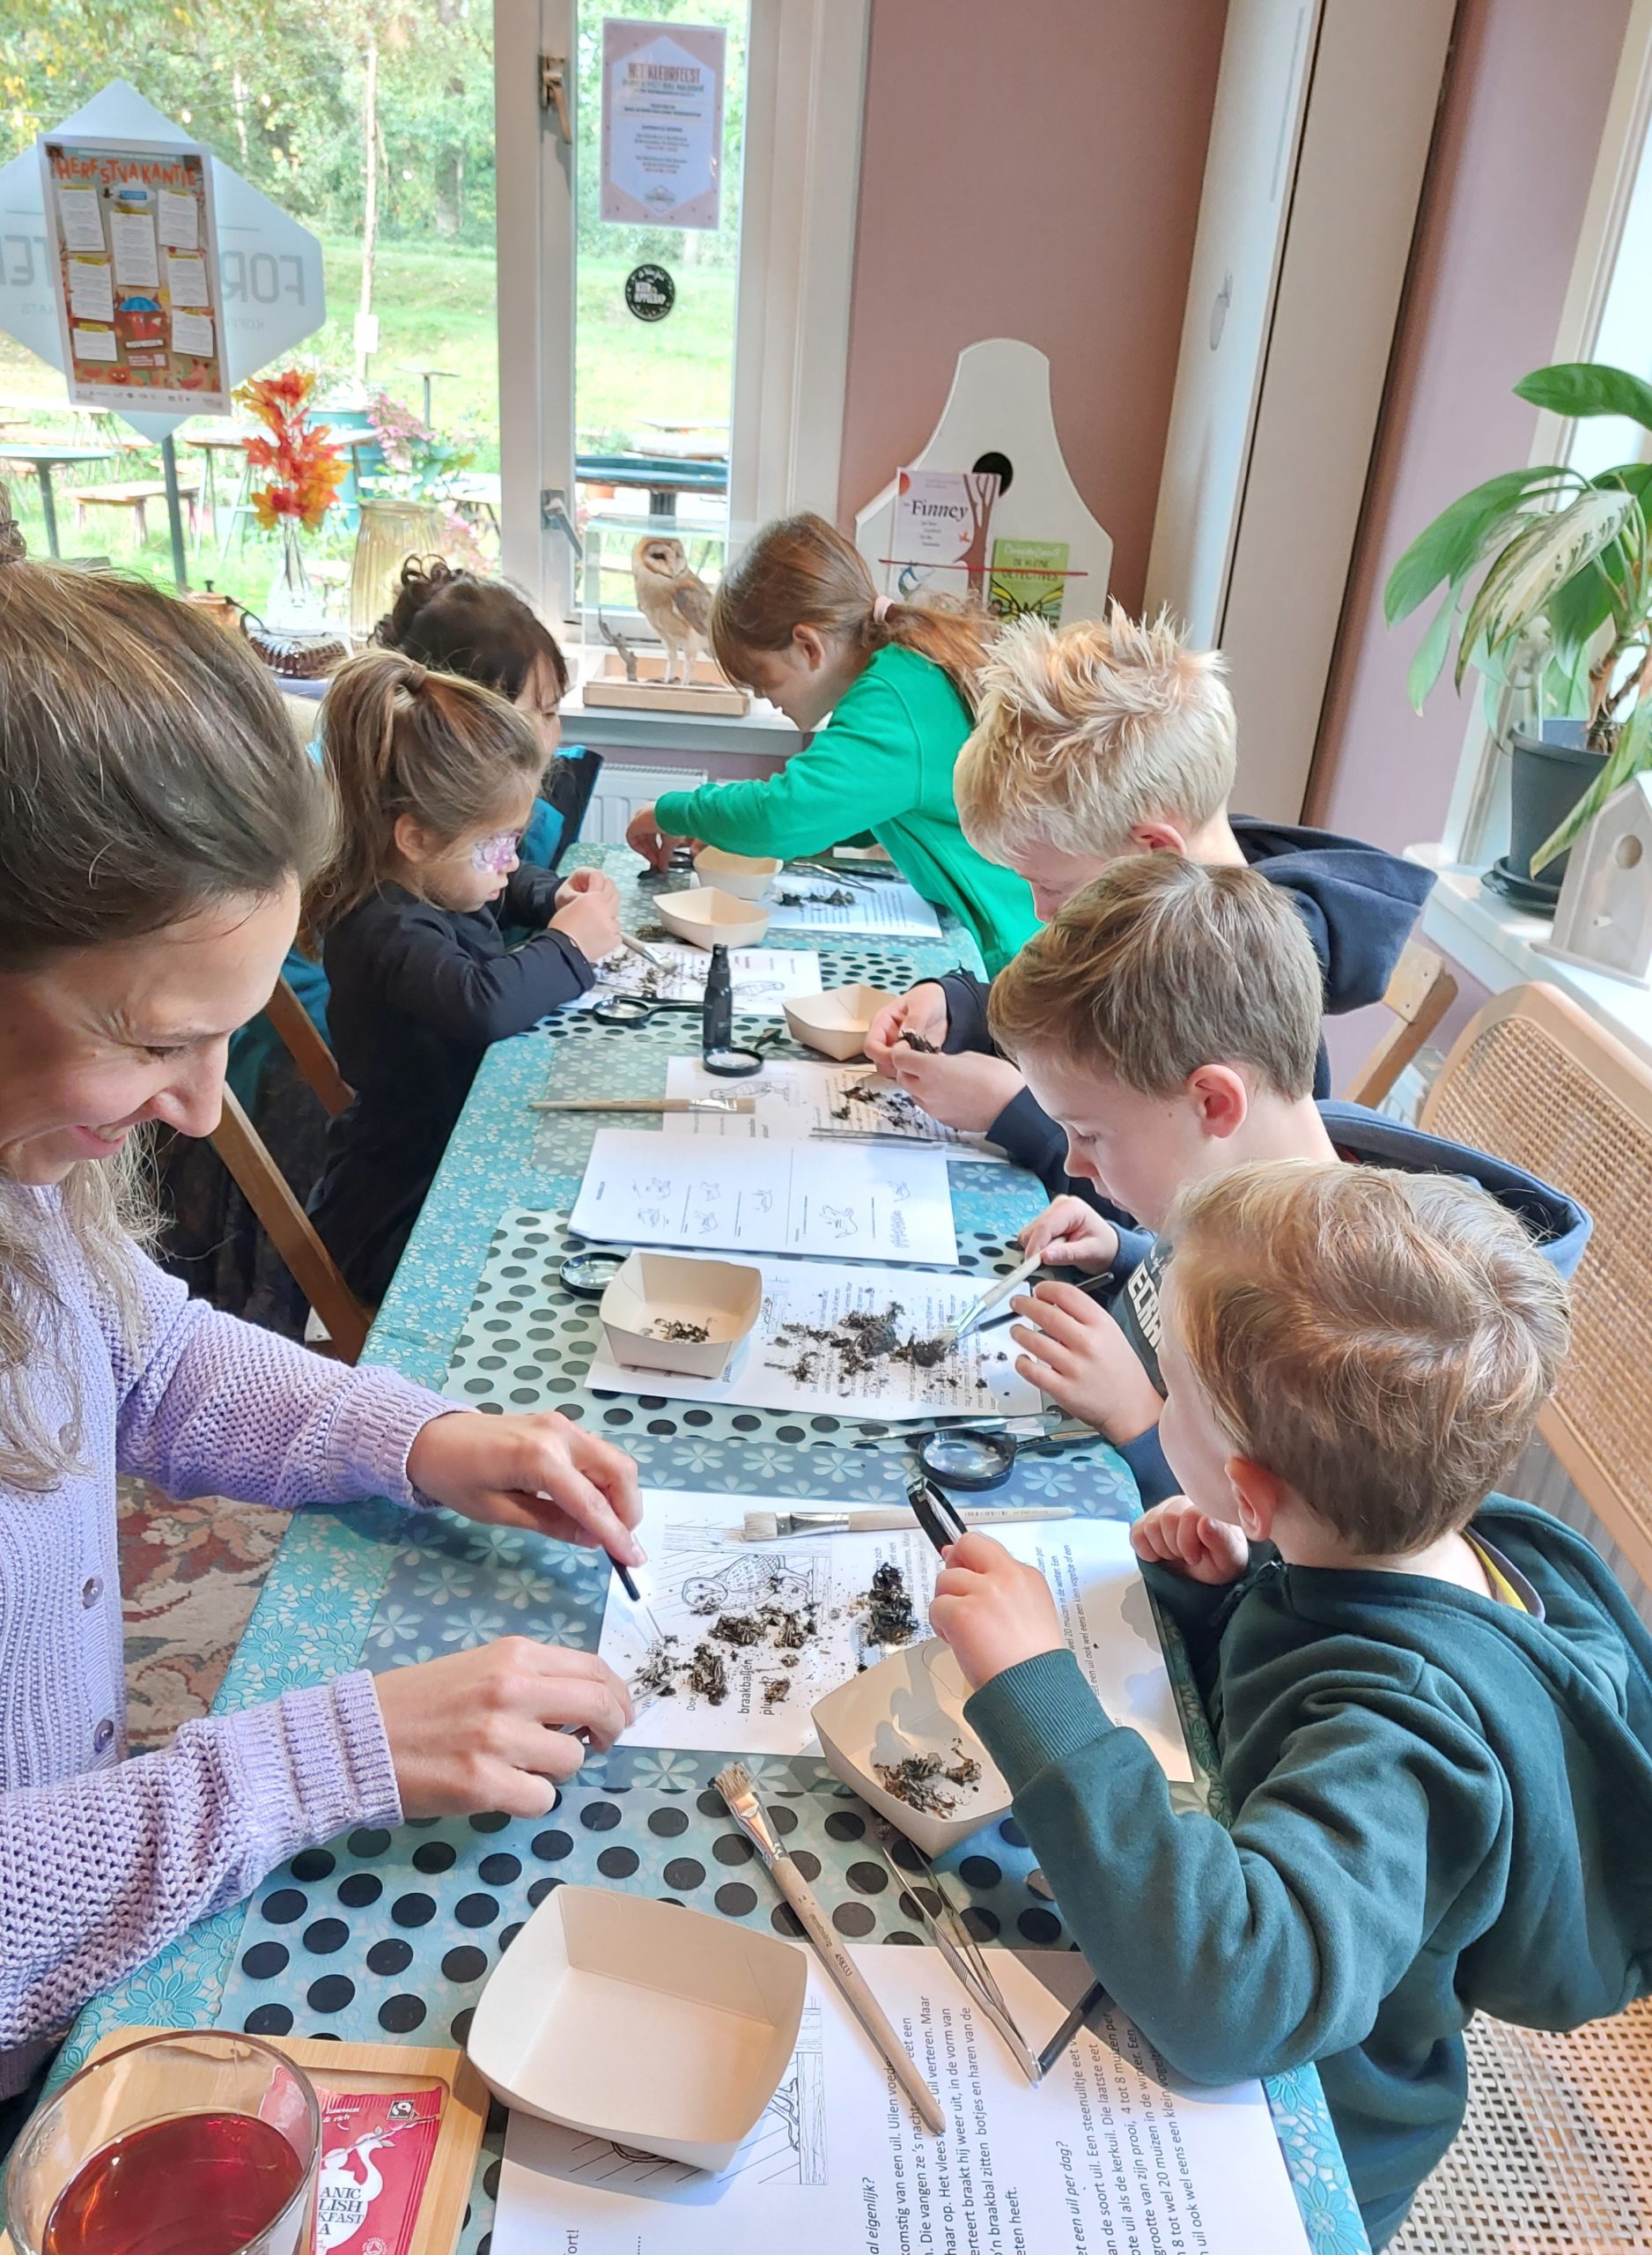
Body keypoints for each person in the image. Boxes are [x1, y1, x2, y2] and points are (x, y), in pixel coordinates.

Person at [0, 560, 641, 2124]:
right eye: (156, 1039)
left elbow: (142, 1355)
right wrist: (324, 1755)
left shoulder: (24, 1182)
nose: (208, 1107)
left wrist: (425, 1439)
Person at [929, 1157, 1652, 2249]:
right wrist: (1233, 1600)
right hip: (1307, 1948)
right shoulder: (1421, 1542)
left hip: (1314, 2124)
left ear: (1252, 1492)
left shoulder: (1400, 1732)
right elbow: (1311, 1678)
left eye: (1166, 1390)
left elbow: (1235, 1991)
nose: (1153, 1402)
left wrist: (1040, 1696)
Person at [987, 854, 1587, 1505]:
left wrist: (1139, 1420)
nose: (1074, 1164)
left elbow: (1287, 1550)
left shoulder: (1347, 1334)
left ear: (1214, 1102)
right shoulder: (1230, 1187)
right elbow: (1186, 1279)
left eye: (1092, 1134)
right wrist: (1124, 1250)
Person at [867, 605, 1434, 1166]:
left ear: (1154, 851)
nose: (1042, 912)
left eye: (1054, 887)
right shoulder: (1178, 908)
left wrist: (1011, 1113)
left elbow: (1173, 1199)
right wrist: (963, 1008)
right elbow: (1097, 1032)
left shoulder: (1225, 977)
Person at [305, 649, 622, 1305]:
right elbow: (483, 1003)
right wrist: (569, 948)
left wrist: (553, 896)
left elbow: (497, 891)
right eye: (496, 844)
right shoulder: (384, 926)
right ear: (415, 837)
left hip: (452, 1156)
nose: (510, 862)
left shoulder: (435, 882)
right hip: (402, 1206)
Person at [623, 513, 1039, 976]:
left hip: (1008, 951)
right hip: (1007, 935)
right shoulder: (907, 672)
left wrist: (671, 811)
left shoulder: (895, 698)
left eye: (762, 681)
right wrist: (732, 828)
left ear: (809, 647)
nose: (766, 698)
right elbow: (861, 806)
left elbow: (784, 813)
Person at [373, 555, 601, 869]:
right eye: (541, 715)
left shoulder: (532, 814)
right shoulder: (428, 843)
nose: (553, 734)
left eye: (552, 712)